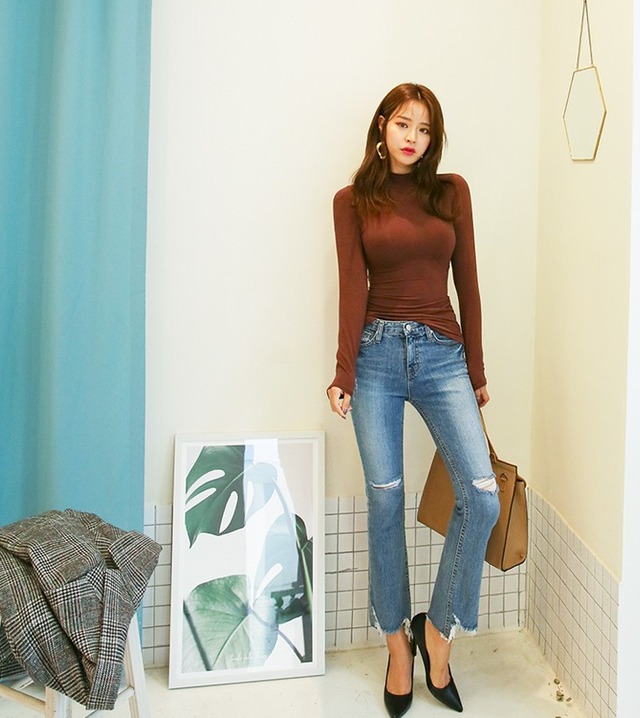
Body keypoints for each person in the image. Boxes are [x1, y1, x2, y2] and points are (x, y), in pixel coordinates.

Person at [327, 83, 500, 716]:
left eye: (425, 130)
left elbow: (468, 284)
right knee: (385, 501)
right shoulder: (352, 201)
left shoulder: (451, 193)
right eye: (404, 124)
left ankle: (438, 634)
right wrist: (344, 372)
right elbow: (352, 287)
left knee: (482, 497)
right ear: (382, 126)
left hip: (442, 354)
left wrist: (475, 369)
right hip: (375, 355)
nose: (413, 138)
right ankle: (398, 649)